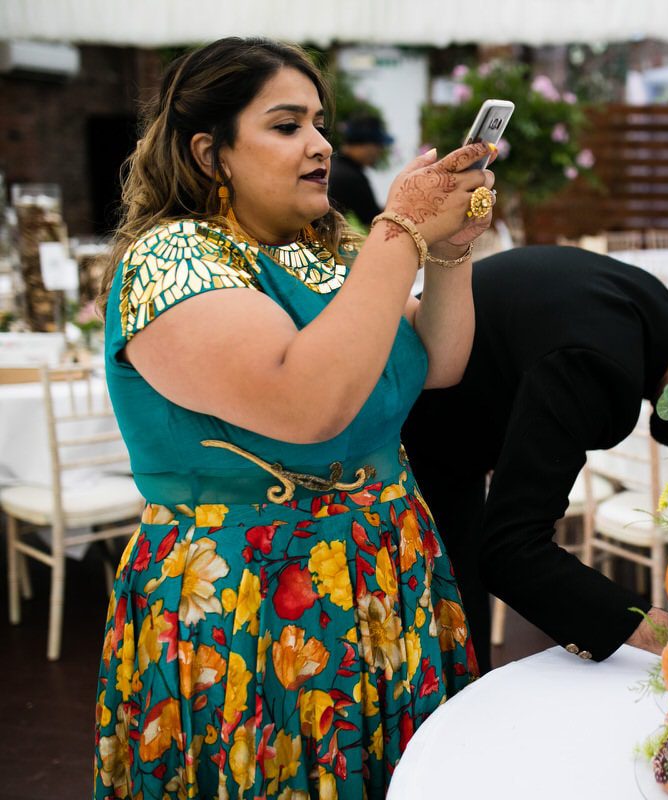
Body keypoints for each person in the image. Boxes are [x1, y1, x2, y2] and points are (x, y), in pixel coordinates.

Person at [93, 37, 496, 799]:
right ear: (212, 153)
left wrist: (450, 248)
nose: (319, 144)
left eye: (318, 122)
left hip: (383, 563)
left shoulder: (325, 250)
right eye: (286, 126)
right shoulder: (174, 258)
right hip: (255, 592)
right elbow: (306, 404)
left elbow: (437, 360)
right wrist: (398, 231)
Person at [403, 247, 668, 673]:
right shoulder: (598, 366)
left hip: (439, 429)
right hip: (407, 453)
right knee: (451, 651)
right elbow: (512, 552)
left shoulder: (649, 302)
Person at [328, 113, 392, 228]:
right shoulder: (352, 178)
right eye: (378, 145)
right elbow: (377, 224)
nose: (380, 151)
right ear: (365, 145)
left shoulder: (332, 165)